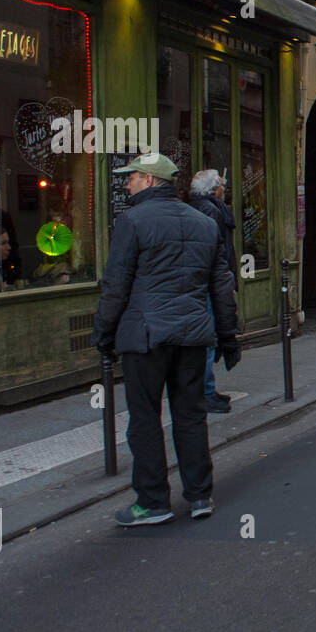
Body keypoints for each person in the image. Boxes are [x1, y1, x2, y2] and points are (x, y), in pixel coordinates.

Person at [92, 152, 240, 526]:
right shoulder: (203, 223)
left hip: (146, 337)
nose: (127, 183)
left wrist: (103, 335)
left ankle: (153, 502)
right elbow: (222, 285)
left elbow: (116, 285)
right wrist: (228, 336)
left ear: (151, 181)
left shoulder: (132, 221)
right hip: (191, 335)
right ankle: (199, 495)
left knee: (144, 420)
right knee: (190, 416)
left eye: (133, 177)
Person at [190, 169, 239, 415]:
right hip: (210, 283)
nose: (224, 188)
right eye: (221, 184)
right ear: (213, 190)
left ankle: (208, 390)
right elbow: (216, 250)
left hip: (212, 280)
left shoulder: (208, 207)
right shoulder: (210, 210)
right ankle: (205, 393)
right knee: (208, 338)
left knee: (211, 337)